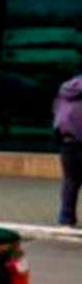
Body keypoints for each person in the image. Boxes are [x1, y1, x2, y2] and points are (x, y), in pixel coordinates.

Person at [55, 73, 82, 228]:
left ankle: (66, 217)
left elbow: (58, 113)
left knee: (71, 180)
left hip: (68, 141)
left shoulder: (65, 90)